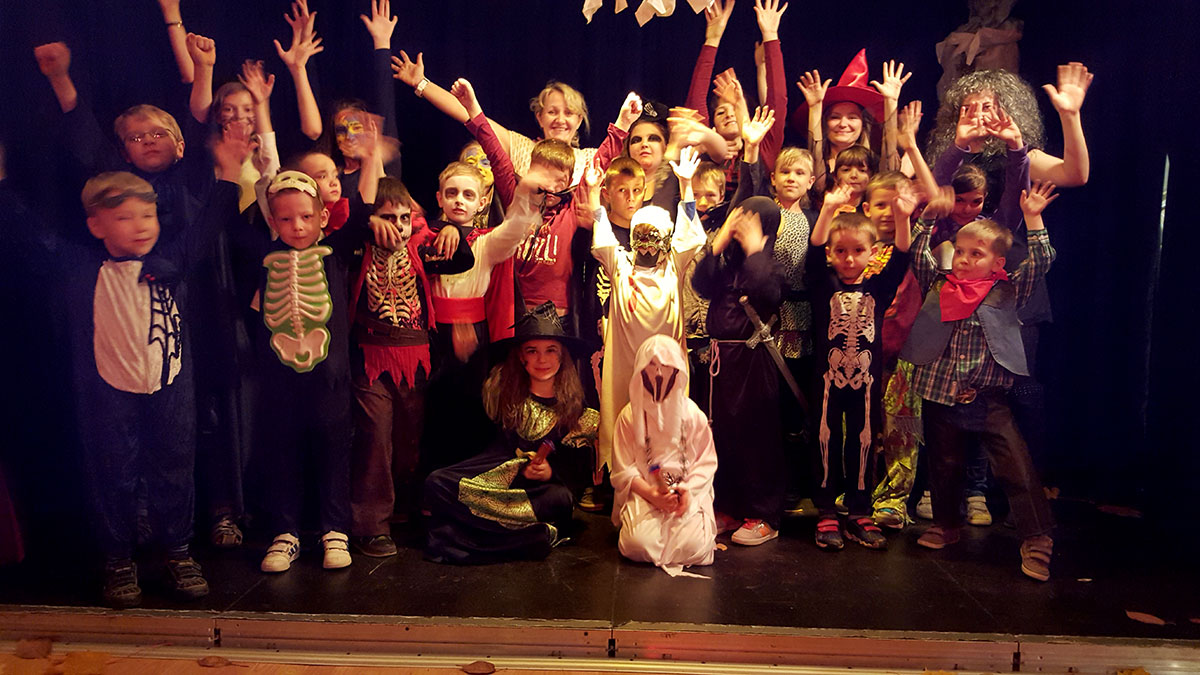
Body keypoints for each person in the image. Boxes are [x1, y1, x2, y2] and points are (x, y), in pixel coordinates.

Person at [53, 128, 246, 606]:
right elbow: (27, 239)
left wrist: (228, 171)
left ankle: (178, 552)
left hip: (169, 384)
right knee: (112, 469)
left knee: (175, 465)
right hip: (106, 391)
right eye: (124, 217)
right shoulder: (80, 269)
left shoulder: (168, 262)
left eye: (148, 214)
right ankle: (118, 559)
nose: (141, 226)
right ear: (96, 225)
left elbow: (207, 226)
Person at [903, 182, 1059, 581]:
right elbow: (918, 254)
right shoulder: (941, 284)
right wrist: (926, 217)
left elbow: (1041, 261)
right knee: (944, 463)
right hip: (941, 392)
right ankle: (946, 523)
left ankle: (1037, 536)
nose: (965, 260)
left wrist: (1034, 218)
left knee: (1015, 464)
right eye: (961, 252)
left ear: (996, 262)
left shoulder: (1008, 289)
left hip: (988, 397)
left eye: (977, 254)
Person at [347, 177, 474, 557]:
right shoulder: (358, 248)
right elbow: (343, 225)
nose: (398, 227)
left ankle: (404, 505)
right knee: (375, 437)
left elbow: (461, 260)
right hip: (371, 355)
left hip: (414, 355)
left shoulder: (419, 246)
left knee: (409, 438)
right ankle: (371, 525)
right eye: (388, 218)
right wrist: (366, 223)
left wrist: (452, 230)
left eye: (404, 218)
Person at [423, 302, 598, 564]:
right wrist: (461, 358)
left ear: (562, 356)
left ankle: (466, 535)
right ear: (521, 357)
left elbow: (578, 474)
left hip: (537, 494)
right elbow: (463, 418)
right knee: (436, 483)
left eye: (550, 350)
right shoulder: (501, 391)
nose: (542, 360)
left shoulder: (579, 412)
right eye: (532, 351)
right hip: (496, 479)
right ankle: (526, 538)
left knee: (559, 499)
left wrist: (550, 472)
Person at [586, 147, 706, 492]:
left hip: (665, 370)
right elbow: (602, 231)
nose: (648, 247)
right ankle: (626, 489)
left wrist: (686, 186)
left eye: (655, 238)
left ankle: (668, 487)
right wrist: (594, 192)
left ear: (666, 240)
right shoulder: (620, 266)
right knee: (623, 422)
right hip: (625, 367)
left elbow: (689, 236)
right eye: (641, 237)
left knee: (666, 426)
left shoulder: (673, 269)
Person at [806, 180, 913, 551]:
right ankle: (825, 509)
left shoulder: (878, 288)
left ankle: (859, 509)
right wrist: (827, 209)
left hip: (866, 380)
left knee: (865, 439)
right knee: (825, 438)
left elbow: (902, 257)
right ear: (831, 253)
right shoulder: (823, 284)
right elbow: (814, 251)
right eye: (841, 251)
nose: (849, 259)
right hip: (828, 379)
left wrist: (903, 217)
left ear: (872, 252)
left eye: (857, 251)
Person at [691, 197, 786, 545]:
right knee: (722, 436)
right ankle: (729, 506)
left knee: (756, 436)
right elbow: (701, 285)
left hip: (752, 361)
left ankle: (763, 514)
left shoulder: (770, 265)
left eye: (750, 222)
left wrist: (755, 248)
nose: (741, 228)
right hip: (721, 362)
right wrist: (718, 244)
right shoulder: (727, 267)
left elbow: (768, 293)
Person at [612, 334, 718, 576]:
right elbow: (623, 470)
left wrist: (686, 491)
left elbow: (706, 462)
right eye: (652, 365)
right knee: (637, 545)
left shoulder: (693, 415)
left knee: (693, 547)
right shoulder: (629, 416)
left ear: (677, 369)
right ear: (641, 369)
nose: (659, 373)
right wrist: (652, 495)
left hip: (685, 494)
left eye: (666, 365)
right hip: (646, 492)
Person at [795, 52, 909, 194]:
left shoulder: (874, 163)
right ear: (825, 123)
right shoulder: (810, 165)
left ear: (863, 124)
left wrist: (891, 102)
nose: (843, 124)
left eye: (852, 117)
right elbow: (816, 166)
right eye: (835, 117)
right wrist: (815, 107)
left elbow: (889, 173)